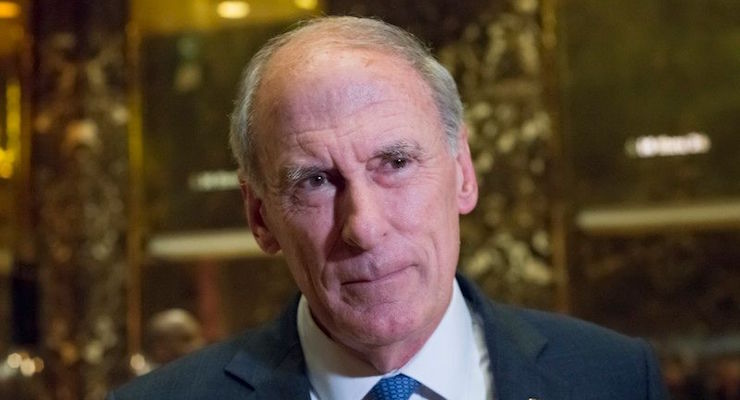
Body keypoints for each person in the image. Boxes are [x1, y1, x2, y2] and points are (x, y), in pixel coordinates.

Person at [108, 16, 668, 399]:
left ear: (463, 173)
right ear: (260, 217)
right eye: (317, 181)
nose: (365, 227)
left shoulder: (613, 378)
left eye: (395, 163)